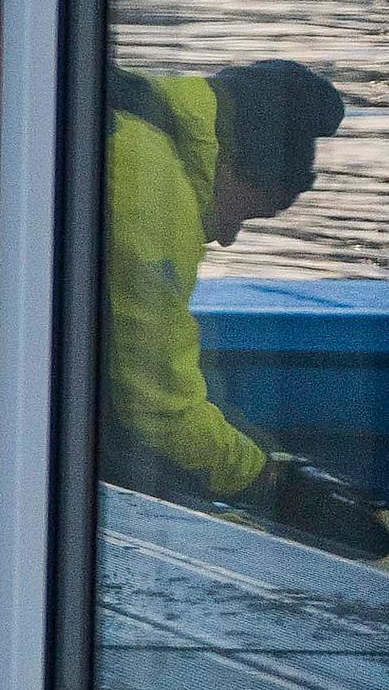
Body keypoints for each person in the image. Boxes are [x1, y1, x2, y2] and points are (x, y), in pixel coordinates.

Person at [102, 56, 386, 558]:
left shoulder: (142, 119)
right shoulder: (152, 191)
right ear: (236, 169)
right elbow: (161, 412)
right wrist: (272, 484)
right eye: (246, 216)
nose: (229, 240)